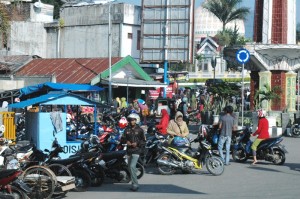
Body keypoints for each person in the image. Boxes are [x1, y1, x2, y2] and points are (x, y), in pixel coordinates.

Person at [121, 113, 145, 191]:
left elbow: (144, 141)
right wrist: (126, 141)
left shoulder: (140, 130)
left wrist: (137, 143)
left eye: (133, 120)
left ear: (136, 120)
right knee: (130, 168)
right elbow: (122, 139)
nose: (132, 122)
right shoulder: (126, 129)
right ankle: (133, 180)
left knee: (131, 166)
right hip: (129, 151)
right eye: (130, 120)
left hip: (137, 151)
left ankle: (135, 184)